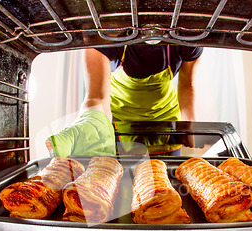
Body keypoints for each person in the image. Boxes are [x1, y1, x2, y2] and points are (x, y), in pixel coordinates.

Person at [46, 43, 203, 157]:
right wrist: (92, 123)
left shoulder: (186, 36)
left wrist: (189, 125)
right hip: (119, 125)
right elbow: (97, 96)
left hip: (166, 124)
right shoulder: (105, 35)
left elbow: (187, 86)